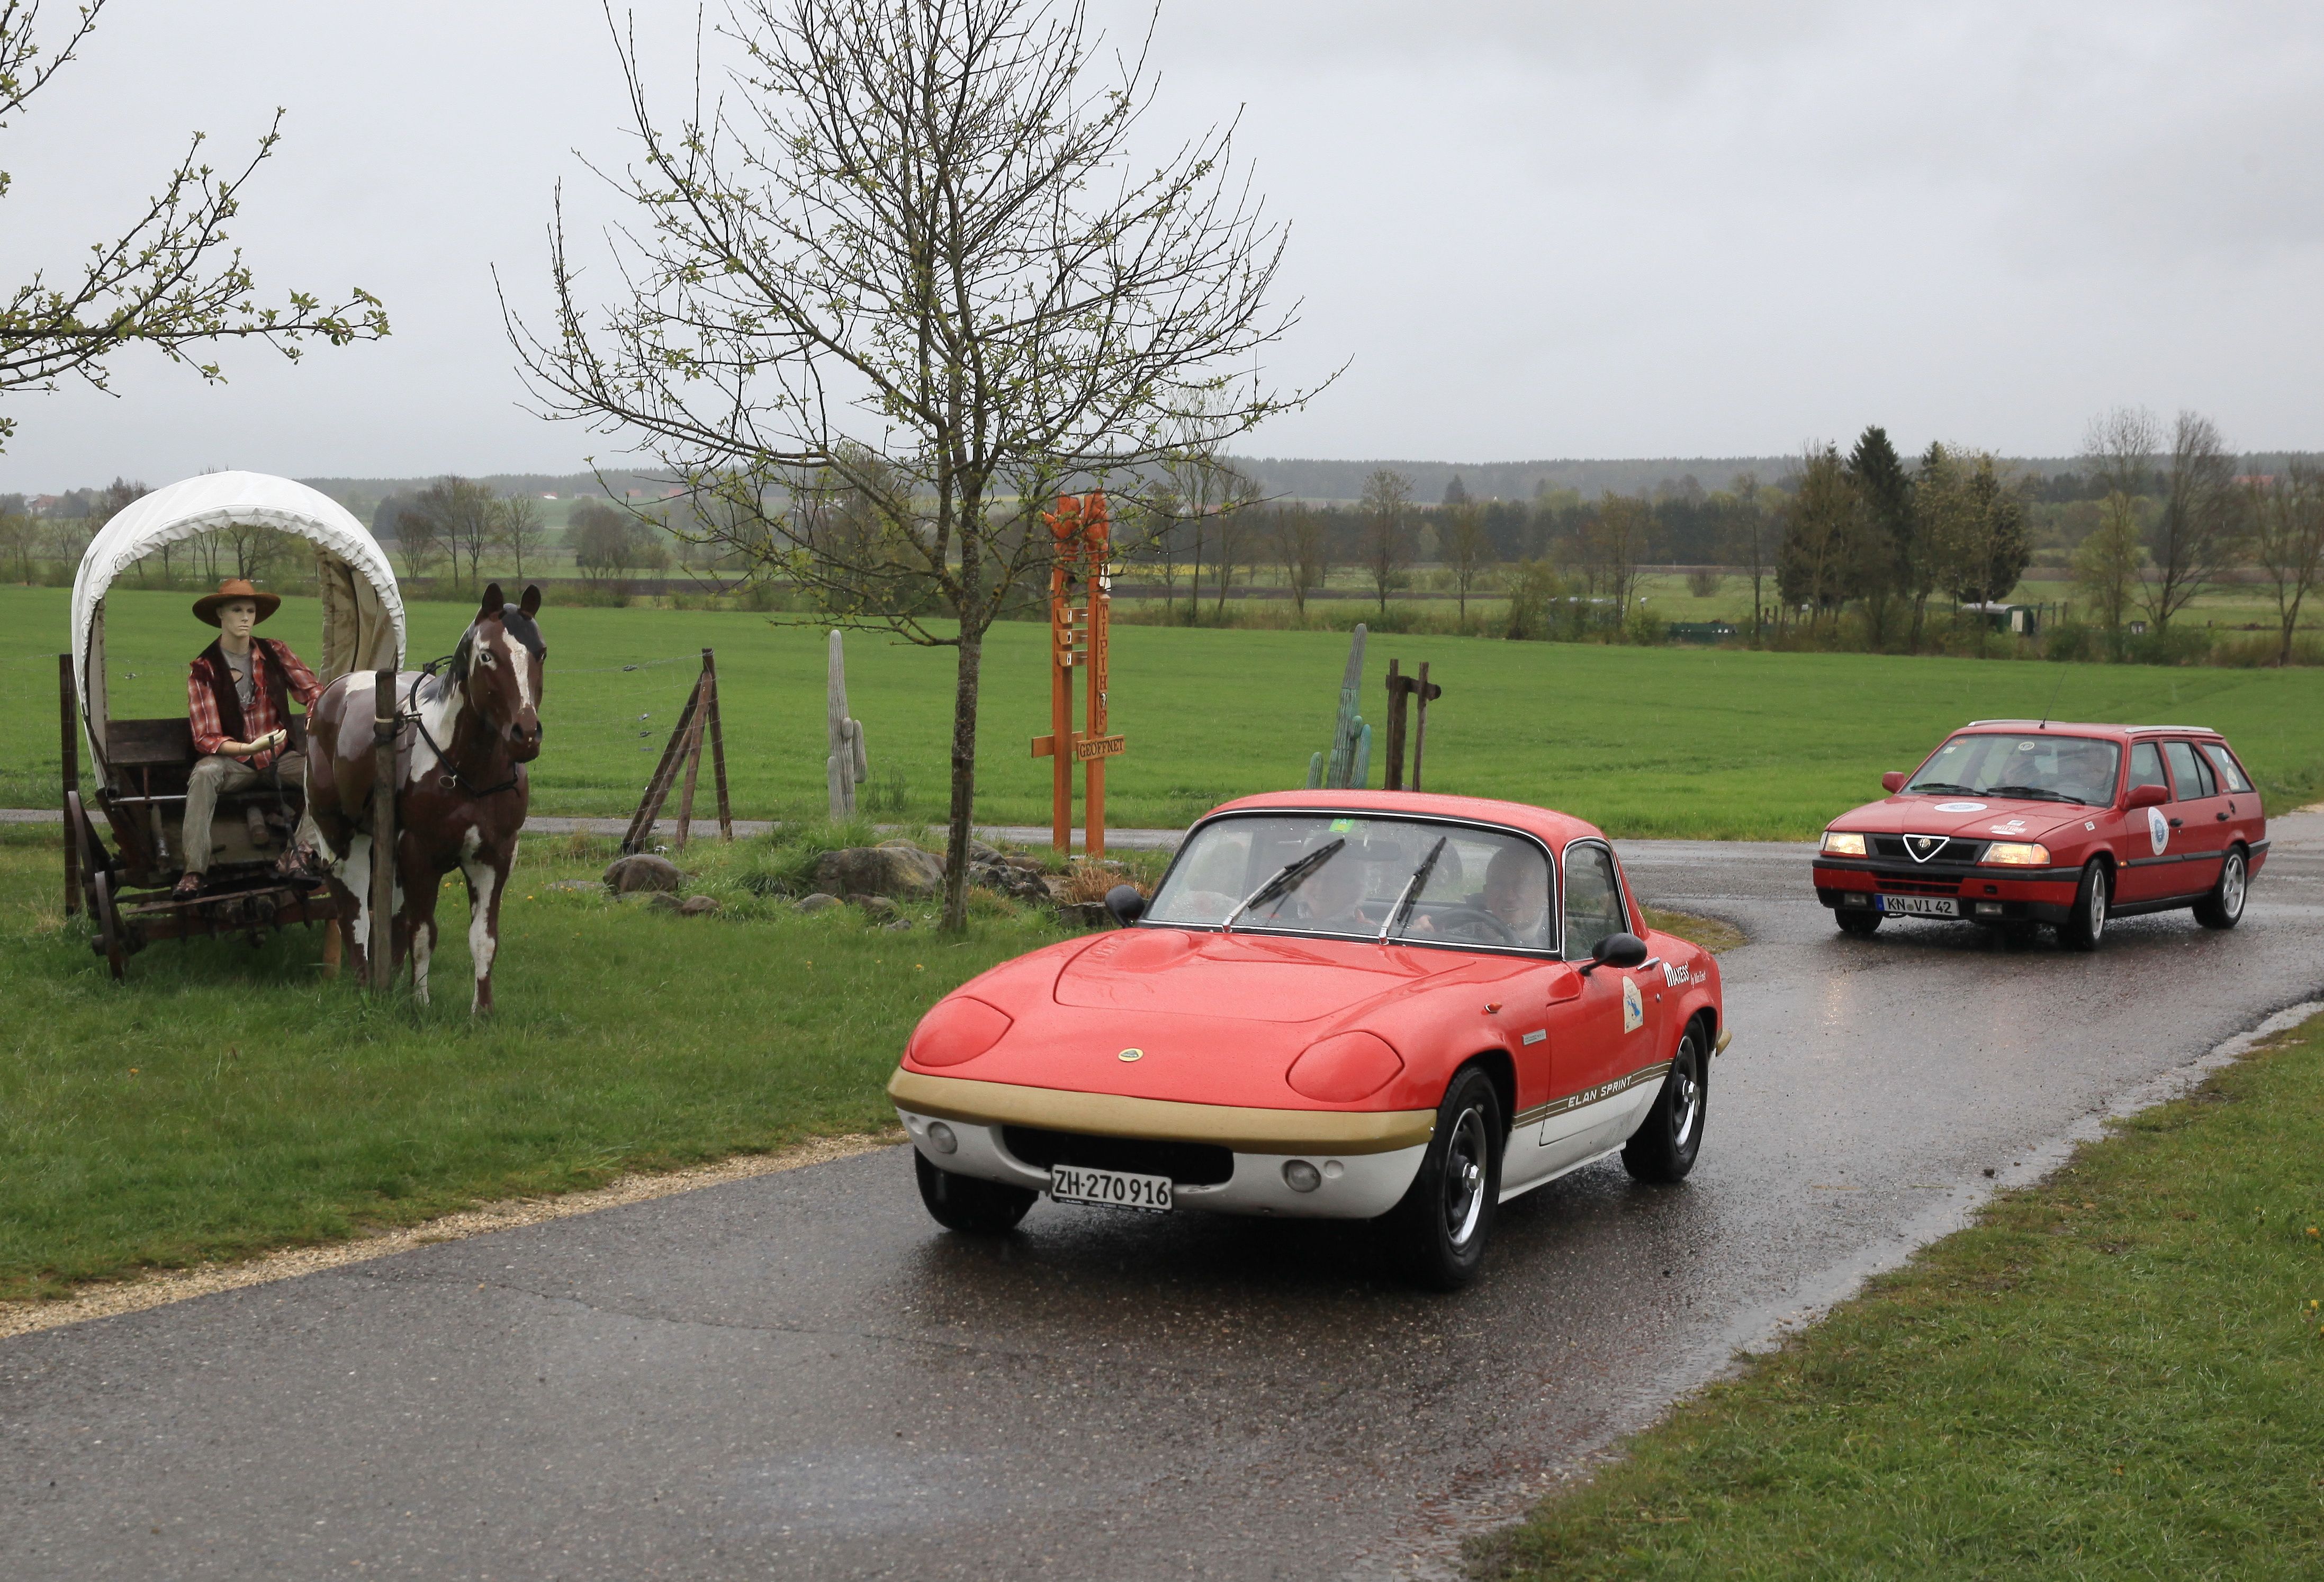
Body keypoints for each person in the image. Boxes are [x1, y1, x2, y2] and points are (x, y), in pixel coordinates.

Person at [175, 578, 325, 897]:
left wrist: (313, 719)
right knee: (204, 774)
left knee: (326, 775)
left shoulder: (275, 651)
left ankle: (297, 855)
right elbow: (205, 737)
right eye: (237, 610)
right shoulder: (203, 669)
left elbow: (313, 691)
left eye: (251, 611)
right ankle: (193, 872)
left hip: (281, 760)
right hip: (234, 764)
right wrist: (248, 747)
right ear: (220, 614)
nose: (245, 617)